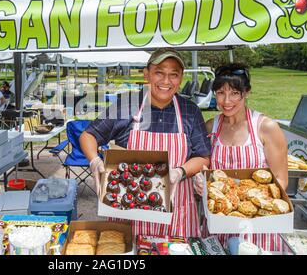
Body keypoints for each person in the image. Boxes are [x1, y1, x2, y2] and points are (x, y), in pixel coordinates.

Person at [80, 48, 211, 238]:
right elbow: (88, 135)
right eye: (159, 73)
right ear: (147, 74)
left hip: (175, 215)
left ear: (180, 79)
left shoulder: (190, 111)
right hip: (127, 211)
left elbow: (203, 157)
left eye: (173, 75)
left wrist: (179, 172)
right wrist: (94, 160)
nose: (166, 82)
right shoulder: (126, 104)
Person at [193, 63, 288, 251]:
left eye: (235, 93)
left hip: (257, 226)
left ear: (247, 92)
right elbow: (204, 166)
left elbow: (281, 180)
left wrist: (252, 204)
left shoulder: (266, 128)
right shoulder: (211, 127)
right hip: (219, 222)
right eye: (220, 92)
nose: (226, 101)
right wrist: (199, 179)